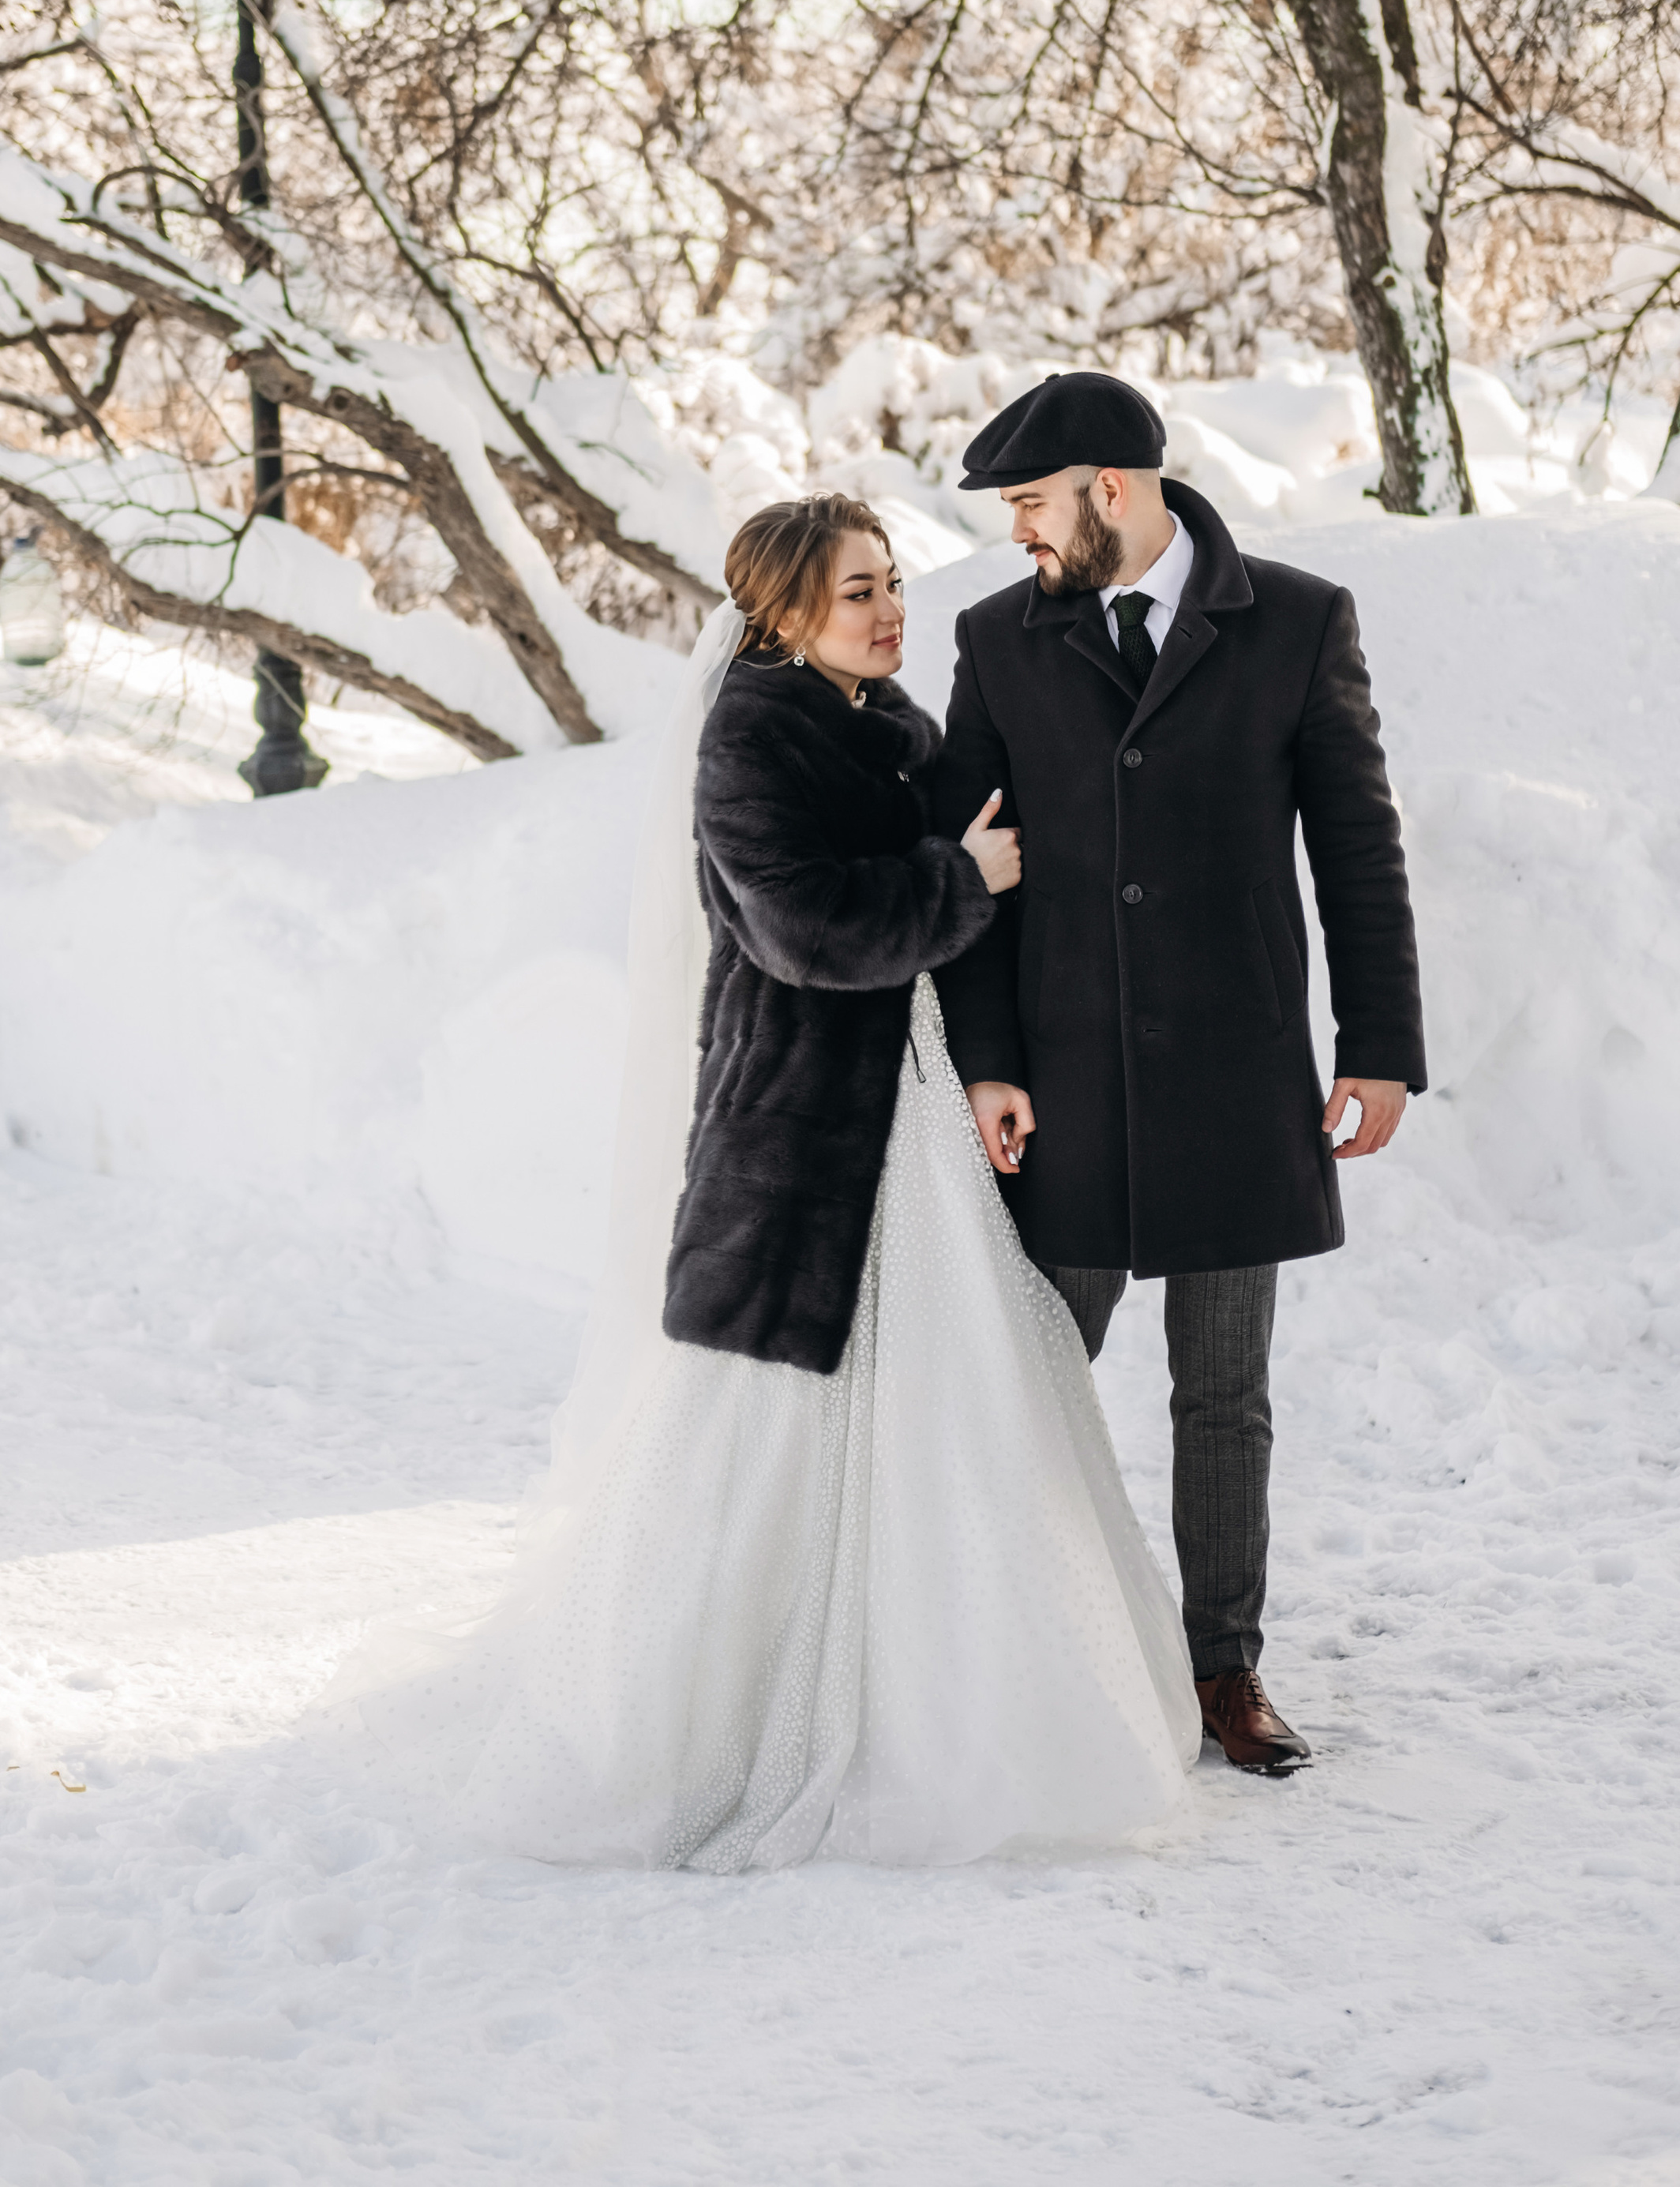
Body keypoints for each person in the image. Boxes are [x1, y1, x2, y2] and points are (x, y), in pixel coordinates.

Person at [330, 490, 1200, 1867]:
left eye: (893, 581)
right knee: (767, 1439)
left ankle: (953, 1704)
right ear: (786, 615)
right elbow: (804, 931)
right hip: (801, 1136)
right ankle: (706, 1726)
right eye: (858, 592)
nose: (890, 608)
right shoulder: (749, 736)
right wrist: (958, 878)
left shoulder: (888, 725)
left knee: (948, 1407)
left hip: (907, 1119)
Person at [932, 370, 1428, 1776]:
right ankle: (1017, 1648)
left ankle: (1225, 1670)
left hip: (1237, 1071)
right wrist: (988, 1063)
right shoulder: (997, 639)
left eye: (1029, 502)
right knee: (1025, 1376)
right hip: (1063, 1083)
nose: (1017, 534)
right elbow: (967, 870)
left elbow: (1358, 845)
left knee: (1226, 1397)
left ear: (1111, 486)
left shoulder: (1298, 620)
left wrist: (1381, 1045)